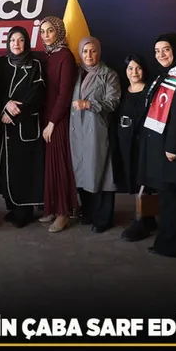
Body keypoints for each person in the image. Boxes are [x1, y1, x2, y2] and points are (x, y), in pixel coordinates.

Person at [142, 33, 176, 258]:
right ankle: (167, 243)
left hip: (175, 153)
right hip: (163, 149)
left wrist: (173, 147)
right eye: (157, 51)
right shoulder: (166, 75)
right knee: (167, 201)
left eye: (166, 49)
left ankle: (175, 246)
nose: (161, 55)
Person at [0, 26, 46, 227]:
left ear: (26, 43)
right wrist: (5, 105)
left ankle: (24, 212)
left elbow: (37, 93)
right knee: (8, 169)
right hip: (4, 127)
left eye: (21, 40)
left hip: (25, 125)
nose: (16, 44)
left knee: (25, 169)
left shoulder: (35, 64)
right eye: (13, 40)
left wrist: (15, 112)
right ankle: (12, 208)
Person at [69, 36, 121, 233]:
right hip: (77, 129)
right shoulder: (76, 73)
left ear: (99, 52)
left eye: (93, 51)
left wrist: (90, 104)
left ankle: (103, 218)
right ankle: (88, 212)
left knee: (102, 172)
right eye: (85, 51)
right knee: (83, 172)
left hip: (97, 129)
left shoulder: (109, 74)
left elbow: (113, 102)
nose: (89, 55)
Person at [37, 16, 78, 233]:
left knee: (61, 166)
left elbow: (65, 94)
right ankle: (52, 208)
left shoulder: (66, 57)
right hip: (47, 118)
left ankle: (64, 213)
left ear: (59, 32)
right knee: (50, 166)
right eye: (42, 31)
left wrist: (52, 122)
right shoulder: (49, 56)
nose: (46, 35)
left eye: (50, 30)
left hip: (59, 120)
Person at [113, 54, 158, 241]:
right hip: (126, 145)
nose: (134, 72)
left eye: (138, 68)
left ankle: (143, 221)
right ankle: (146, 217)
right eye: (130, 68)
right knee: (133, 180)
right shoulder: (123, 92)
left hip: (145, 145)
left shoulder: (151, 92)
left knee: (144, 182)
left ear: (144, 70)